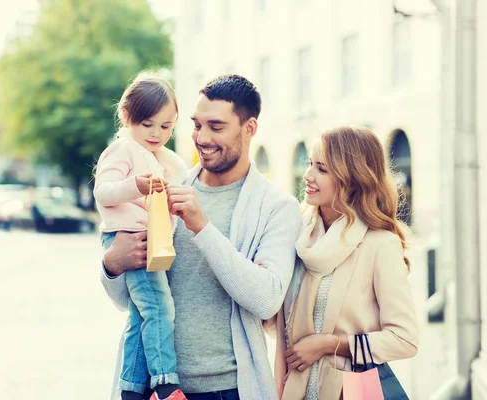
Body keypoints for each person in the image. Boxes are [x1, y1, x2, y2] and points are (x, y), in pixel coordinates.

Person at [100, 74, 301, 400]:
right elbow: (129, 301)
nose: (202, 137)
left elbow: (266, 300)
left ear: (249, 128)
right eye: (196, 125)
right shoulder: (166, 184)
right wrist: (111, 264)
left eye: (216, 127)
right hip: (154, 388)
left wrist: (202, 227)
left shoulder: (278, 207)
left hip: (228, 390)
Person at [274, 126, 419, 399]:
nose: (307, 176)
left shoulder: (379, 244)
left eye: (322, 168)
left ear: (351, 179)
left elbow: (405, 339)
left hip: (349, 391)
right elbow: (279, 322)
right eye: (309, 164)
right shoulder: (298, 235)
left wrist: (330, 344)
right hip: (293, 389)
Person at [94, 71, 188, 400]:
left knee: (141, 313)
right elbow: (103, 192)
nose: (157, 133)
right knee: (160, 308)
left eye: (166, 127)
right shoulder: (122, 150)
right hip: (130, 238)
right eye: (148, 124)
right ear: (127, 116)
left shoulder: (159, 158)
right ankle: (164, 381)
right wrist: (136, 186)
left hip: (143, 238)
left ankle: (131, 388)